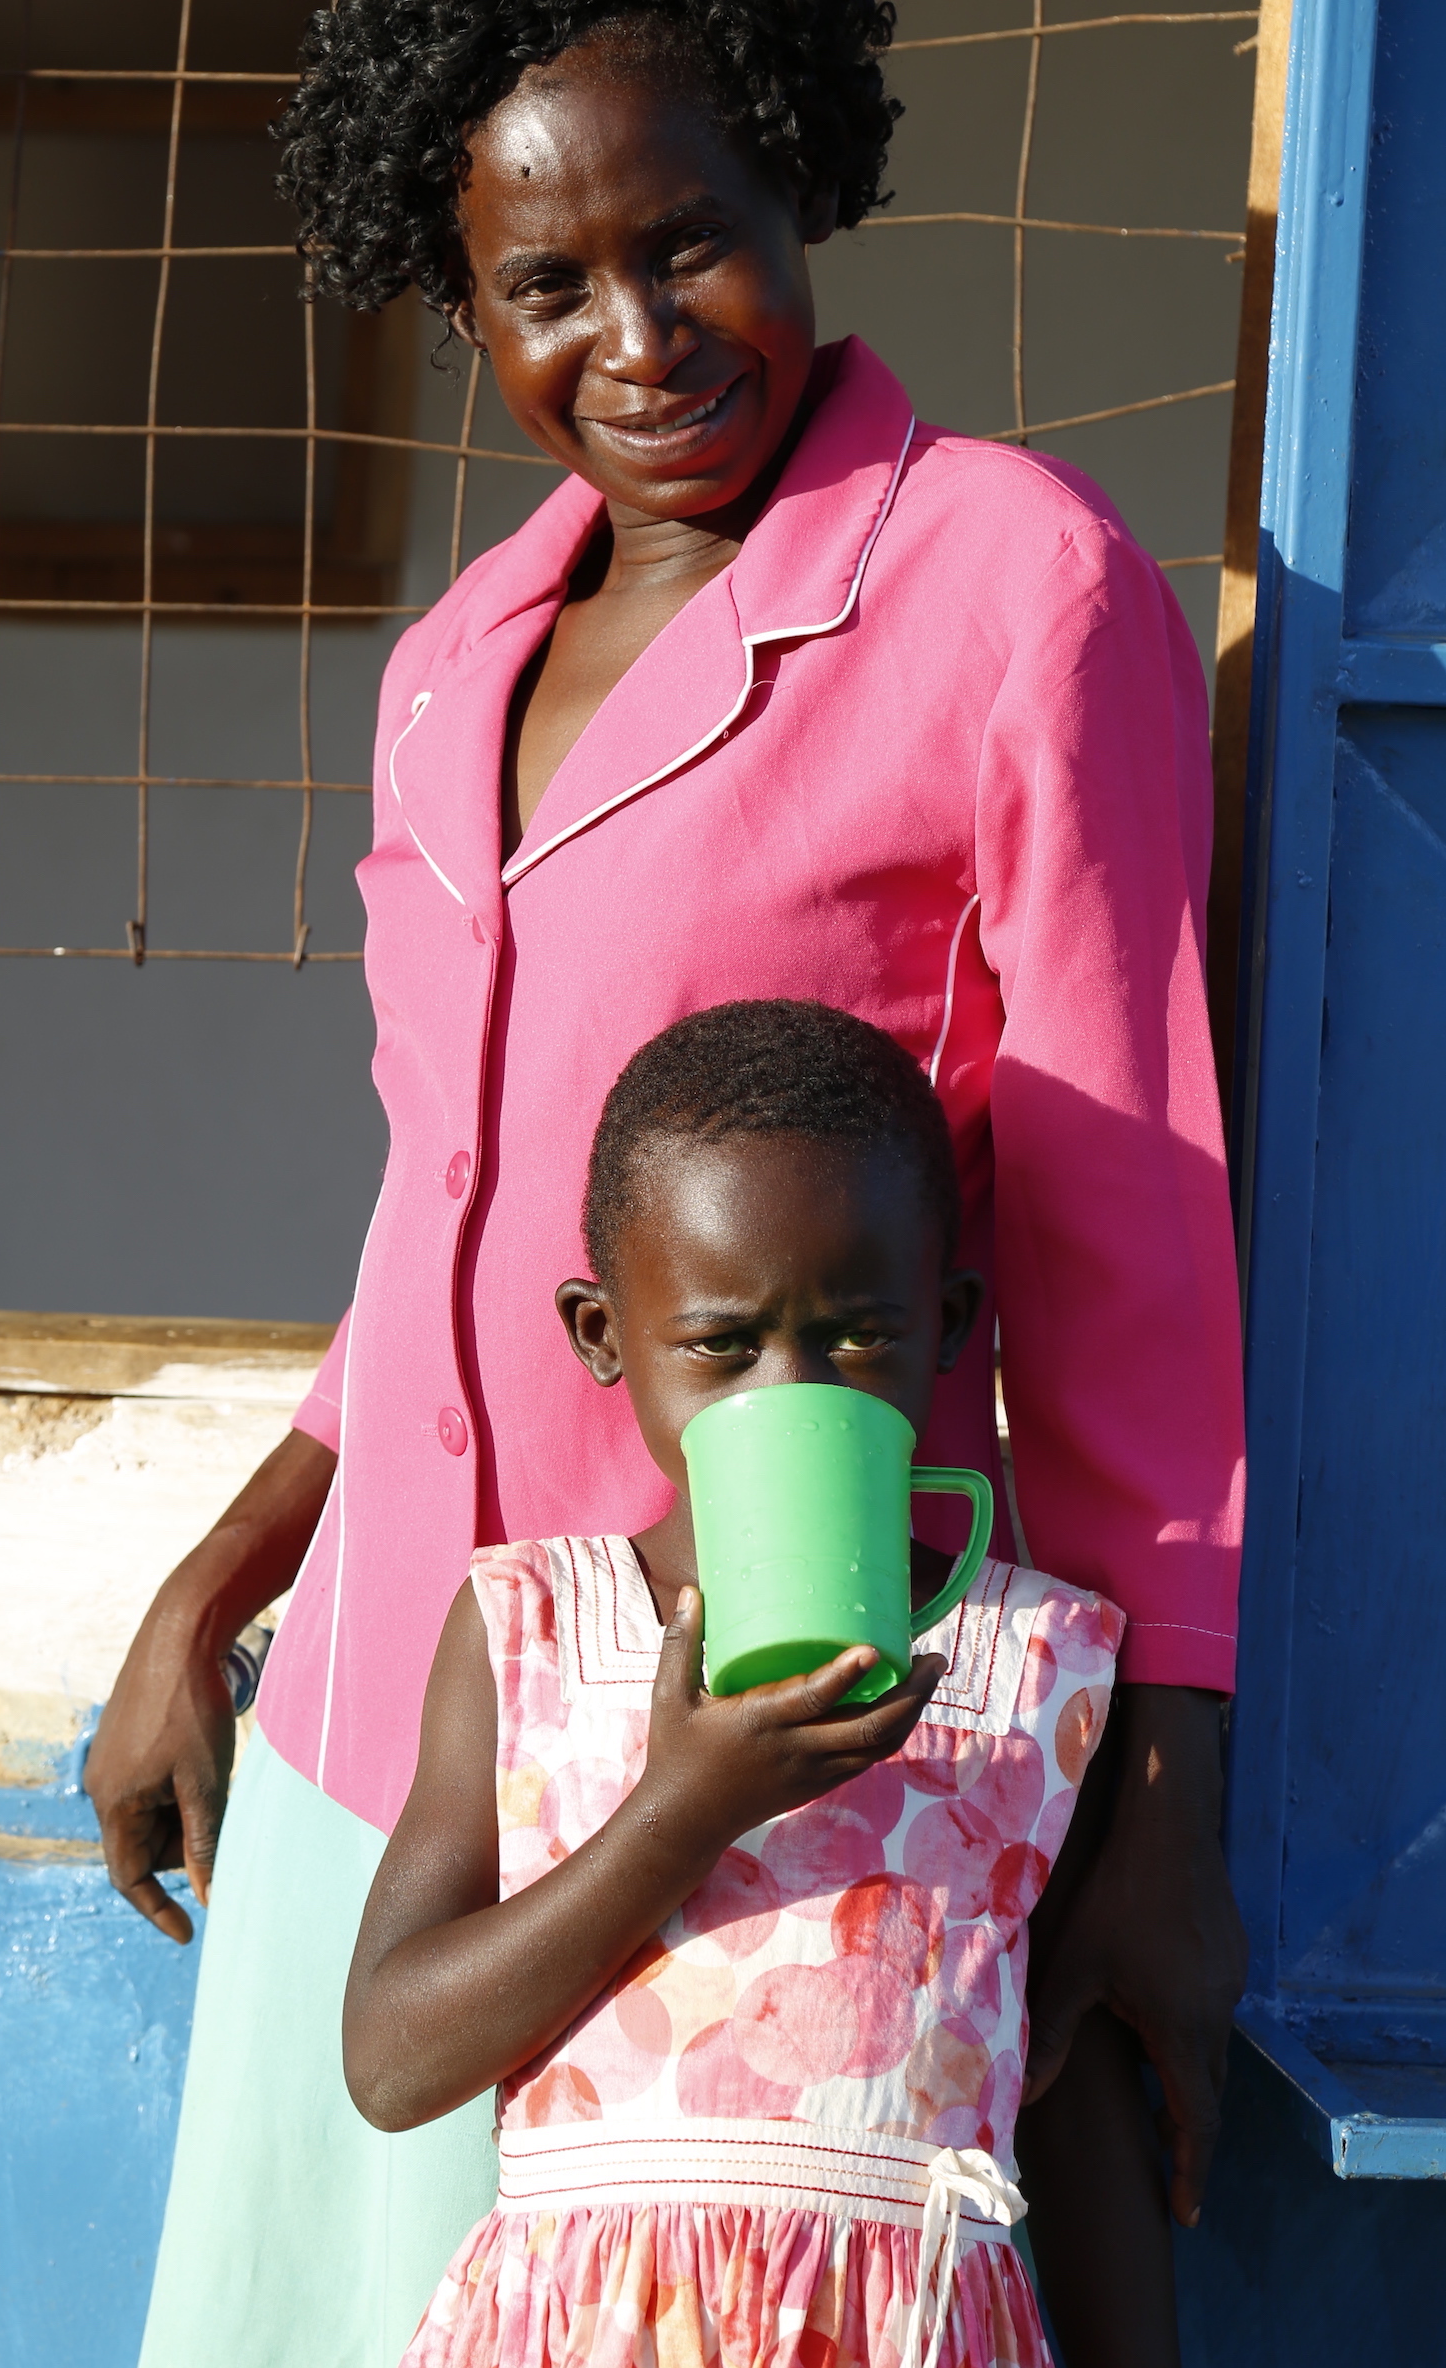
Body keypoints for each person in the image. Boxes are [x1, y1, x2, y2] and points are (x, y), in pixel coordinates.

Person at [91, 0, 1246, 2368]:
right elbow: (454, 1210)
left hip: (755, 1722)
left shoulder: (1007, 591)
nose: (636, 334)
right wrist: (226, 1578)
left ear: (799, 179)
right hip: (407, 1715)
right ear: (456, 300)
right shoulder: (448, 669)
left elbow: (1127, 1224)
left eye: (686, 237)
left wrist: (1162, 1795)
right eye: (544, 284)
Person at [347, 998, 1153, 2368]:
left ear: (945, 1323)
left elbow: (1068, 2096)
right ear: (603, 1335)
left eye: (853, 1337)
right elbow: (391, 2055)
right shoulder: (531, 1626)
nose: (785, 1388)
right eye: (720, 1343)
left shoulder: (1037, 1662)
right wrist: (685, 1804)